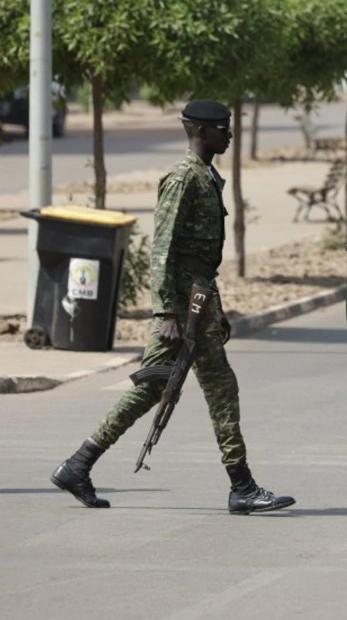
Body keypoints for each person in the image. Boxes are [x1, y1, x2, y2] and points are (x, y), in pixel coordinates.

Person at [50, 100, 295, 515]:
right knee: (214, 388)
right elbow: (162, 251)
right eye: (222, 128)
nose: (230, 135)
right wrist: (164, 312)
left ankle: (78, 465)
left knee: (159, 388)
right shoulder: (183, 179)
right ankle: (242, 487)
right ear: (199, 131)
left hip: (197, 299)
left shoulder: (206, 176)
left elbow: (200, 261)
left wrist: (215, 309)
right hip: (181, 305)